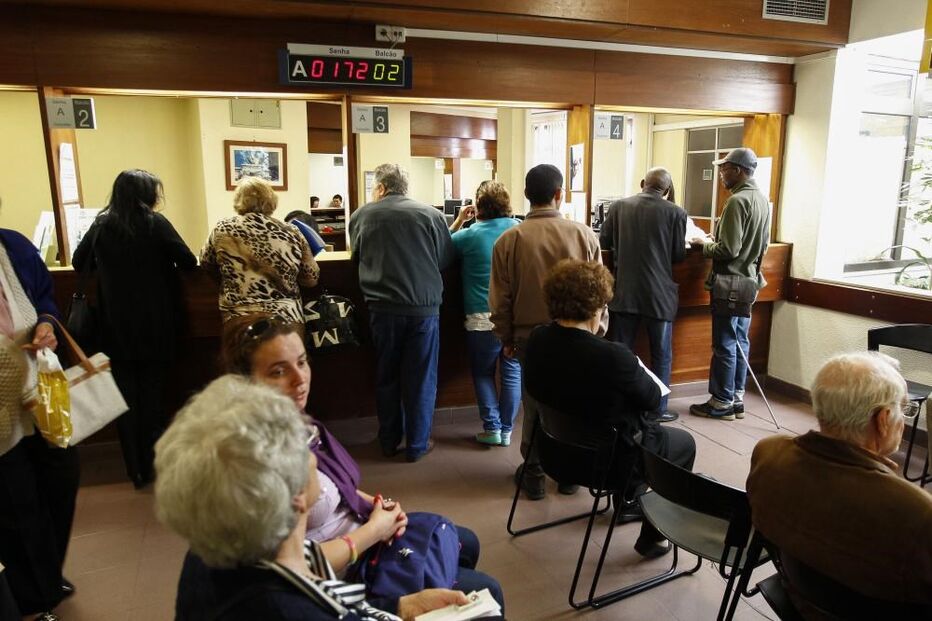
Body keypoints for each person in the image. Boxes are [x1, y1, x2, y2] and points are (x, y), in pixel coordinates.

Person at [220, 314, 503, 606]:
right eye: (279, 371)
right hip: (344, 576)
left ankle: (441, 583)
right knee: (487, 589)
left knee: (465, 541)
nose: (299, 379)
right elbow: (292, 569)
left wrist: (378, 506)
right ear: (246, 383)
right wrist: (375, 530)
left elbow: (337, 488)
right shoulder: (256, 463)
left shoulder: (296, 423)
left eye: (302, 362)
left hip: (362, 533)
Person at [156, 376, 487, 621]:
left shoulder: (217, 547)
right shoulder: (288, 610)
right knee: (486, 596)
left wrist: (401, 606)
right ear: (296, 494)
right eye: (303, 439)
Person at [523, 260, 697, 557]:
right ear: (597, 308)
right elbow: (654, 400)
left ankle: (629, 502)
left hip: (553, 455)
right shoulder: (615, 357)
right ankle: (652, 537)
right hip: (609, 467)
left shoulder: (537, 339)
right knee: (684, 444)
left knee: (613, 425)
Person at [746, 352, 932, 609]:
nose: (903, 420)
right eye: (903, 409)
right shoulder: (917, 512)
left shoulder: (769, 454)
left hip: (797, 601)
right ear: (883, 420)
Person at [73, 169, 196, 488]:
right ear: (148, 194)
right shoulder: (156, 224)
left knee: (127, 400)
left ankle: (135, 470)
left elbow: (78, 262)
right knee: (153, 397)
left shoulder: (101, 224)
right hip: (157, 324)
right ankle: (155, 465)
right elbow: (188, 262)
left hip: (115, 327)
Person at [489, 164, 600, 500]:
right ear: (559, 194)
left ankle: (534, 473)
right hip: (580, 337)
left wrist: (505, 338)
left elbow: (500, 299)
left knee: (534, 402)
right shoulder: (584, 235)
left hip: (529, 339)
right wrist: (594, 332)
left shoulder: (509, 240)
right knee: (576, 402)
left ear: (526, 196)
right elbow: (600, 294)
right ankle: (571, 474)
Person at [0, 215, 79, 620]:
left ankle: (46, 573)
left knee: (61, 479)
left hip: (40, 389)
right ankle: (34, 596)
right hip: (1, 411)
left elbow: (45, 299)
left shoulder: (12, 246)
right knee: (17, 502)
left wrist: (47, 323)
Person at [348, 164, 454, 462]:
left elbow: (355, 257)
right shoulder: (431, 215)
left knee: (387, 376)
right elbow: (445, 259)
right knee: (421, 379)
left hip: (382, 308)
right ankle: (417, 445)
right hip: (423, 309)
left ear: (381, 188)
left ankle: (388, 440)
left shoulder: (362, 216)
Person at [600, 167, 687, 424]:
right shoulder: (676, 212)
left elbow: (604, 241)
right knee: (661, 354)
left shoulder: (618, 207)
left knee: (622, 353)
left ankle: (621, 406)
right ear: (668, 190)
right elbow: (678, 256)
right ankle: (657, 410)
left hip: (625, 292)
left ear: (642, 183)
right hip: (659, 297)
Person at [689, 147, 770, 421]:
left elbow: (729, 250)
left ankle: (721, 401)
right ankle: (736, 397)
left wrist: (705, 245)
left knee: (724, 343)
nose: (721, 173)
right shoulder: (761, 199)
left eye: (724, 168)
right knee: (739, 341)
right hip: (749, 281)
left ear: (738, 170)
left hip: (729, 283)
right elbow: (761, 244)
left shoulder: (737, 201)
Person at [449, 181, 521, 446]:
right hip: (514, 315)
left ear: (478, 206)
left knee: (483, 373)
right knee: (512, 370)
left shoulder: (468, 235)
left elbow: (440, 251)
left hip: (481, 317)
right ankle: (507, 430)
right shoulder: (517, 229)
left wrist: (458, 221)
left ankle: (492, 428)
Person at [201, 176, 320, 324]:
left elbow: (206, 263)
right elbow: (310, 279)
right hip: (286, 318)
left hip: (238, 316)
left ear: (239, 200)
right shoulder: (292, 231)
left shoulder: (222, 229)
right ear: (272, 200)